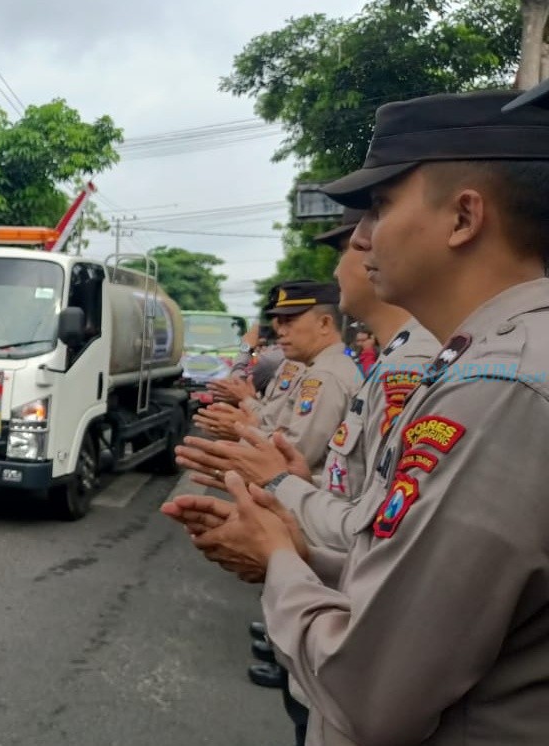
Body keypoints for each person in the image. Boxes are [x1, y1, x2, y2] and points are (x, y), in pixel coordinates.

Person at [164, 89, 549, 746]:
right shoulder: (489, 358)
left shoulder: (503, 384)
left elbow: (369, 689)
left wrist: (279, 555)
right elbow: (406, 565)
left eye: (381, 206)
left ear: (463, 217)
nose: (364, 238)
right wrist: (297, 530)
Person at [195, 281, 360, 477]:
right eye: (279, 322)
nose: (280, 331)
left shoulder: (325, 376)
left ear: (324, 323)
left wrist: (243, 431)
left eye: (289, 321)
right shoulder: (313, 365)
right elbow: (275, 422)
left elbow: (295, 454)